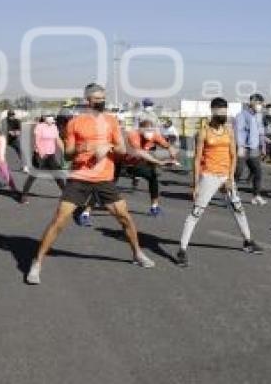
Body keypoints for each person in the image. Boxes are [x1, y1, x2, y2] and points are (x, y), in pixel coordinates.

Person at [26, 83, 155, 284]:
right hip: (80, 177)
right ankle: (37, 262)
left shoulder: (112, 121)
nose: (102, 101)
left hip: (104, 179)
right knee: (59, 221)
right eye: (97, 99)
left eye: (103, 97)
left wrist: (108, 146)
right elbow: (67, 154)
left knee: (125, 218)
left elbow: (121, 150)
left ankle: (137, 253)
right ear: (88, 100)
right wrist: (82, 147)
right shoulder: (75, 123)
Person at [176, 97, 263, 267]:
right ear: (213, 111)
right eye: (220, 111)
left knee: (238, 209)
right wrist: (195, 184)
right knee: (196, 213)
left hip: (226, 177)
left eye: (225, 110)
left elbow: (233, 156)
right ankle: (182, 249)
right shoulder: (204, 132)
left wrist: (230, 179)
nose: (224, 114)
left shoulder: (229, 130)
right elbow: (197, 159)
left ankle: (248, 241)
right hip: (208, 176)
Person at [114, 118, 179, 216]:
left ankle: (154, 207)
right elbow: (141, 153)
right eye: (146, 130)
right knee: (111, 182)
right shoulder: (133, 135)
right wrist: (159, 162)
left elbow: (168, 145)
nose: (149, 133)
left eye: (150, 130)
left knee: (153, 176)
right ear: (140, 129)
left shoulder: (154, 136)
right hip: (125, 161)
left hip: (140, 161)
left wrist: (172, 154)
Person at [21, 114, 67, 204]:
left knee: (57, 175)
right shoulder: (39, 127)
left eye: (52, 117)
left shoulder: (54, 127)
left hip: (51, 155)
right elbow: (37, 141)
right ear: (44, 118)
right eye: (49, 117)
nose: (51, 118)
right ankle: (24, 196)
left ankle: (66, 194)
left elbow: (58, 140)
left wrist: (65, 151)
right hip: (40, 155)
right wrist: (41, 154)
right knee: (33, 176)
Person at [234, 93, 267, 205]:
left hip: (254, 148)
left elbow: (261, 131)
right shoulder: (241, 115)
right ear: (252, 102)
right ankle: (231, 194)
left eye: (261, 104)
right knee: (238, 172)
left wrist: (263, 146)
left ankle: (256, 196)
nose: (260, 106)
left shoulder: (259, 116)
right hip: (243, 148)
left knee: (257, 172)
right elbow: (238, 132)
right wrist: (240, 147)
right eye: (258, 103)